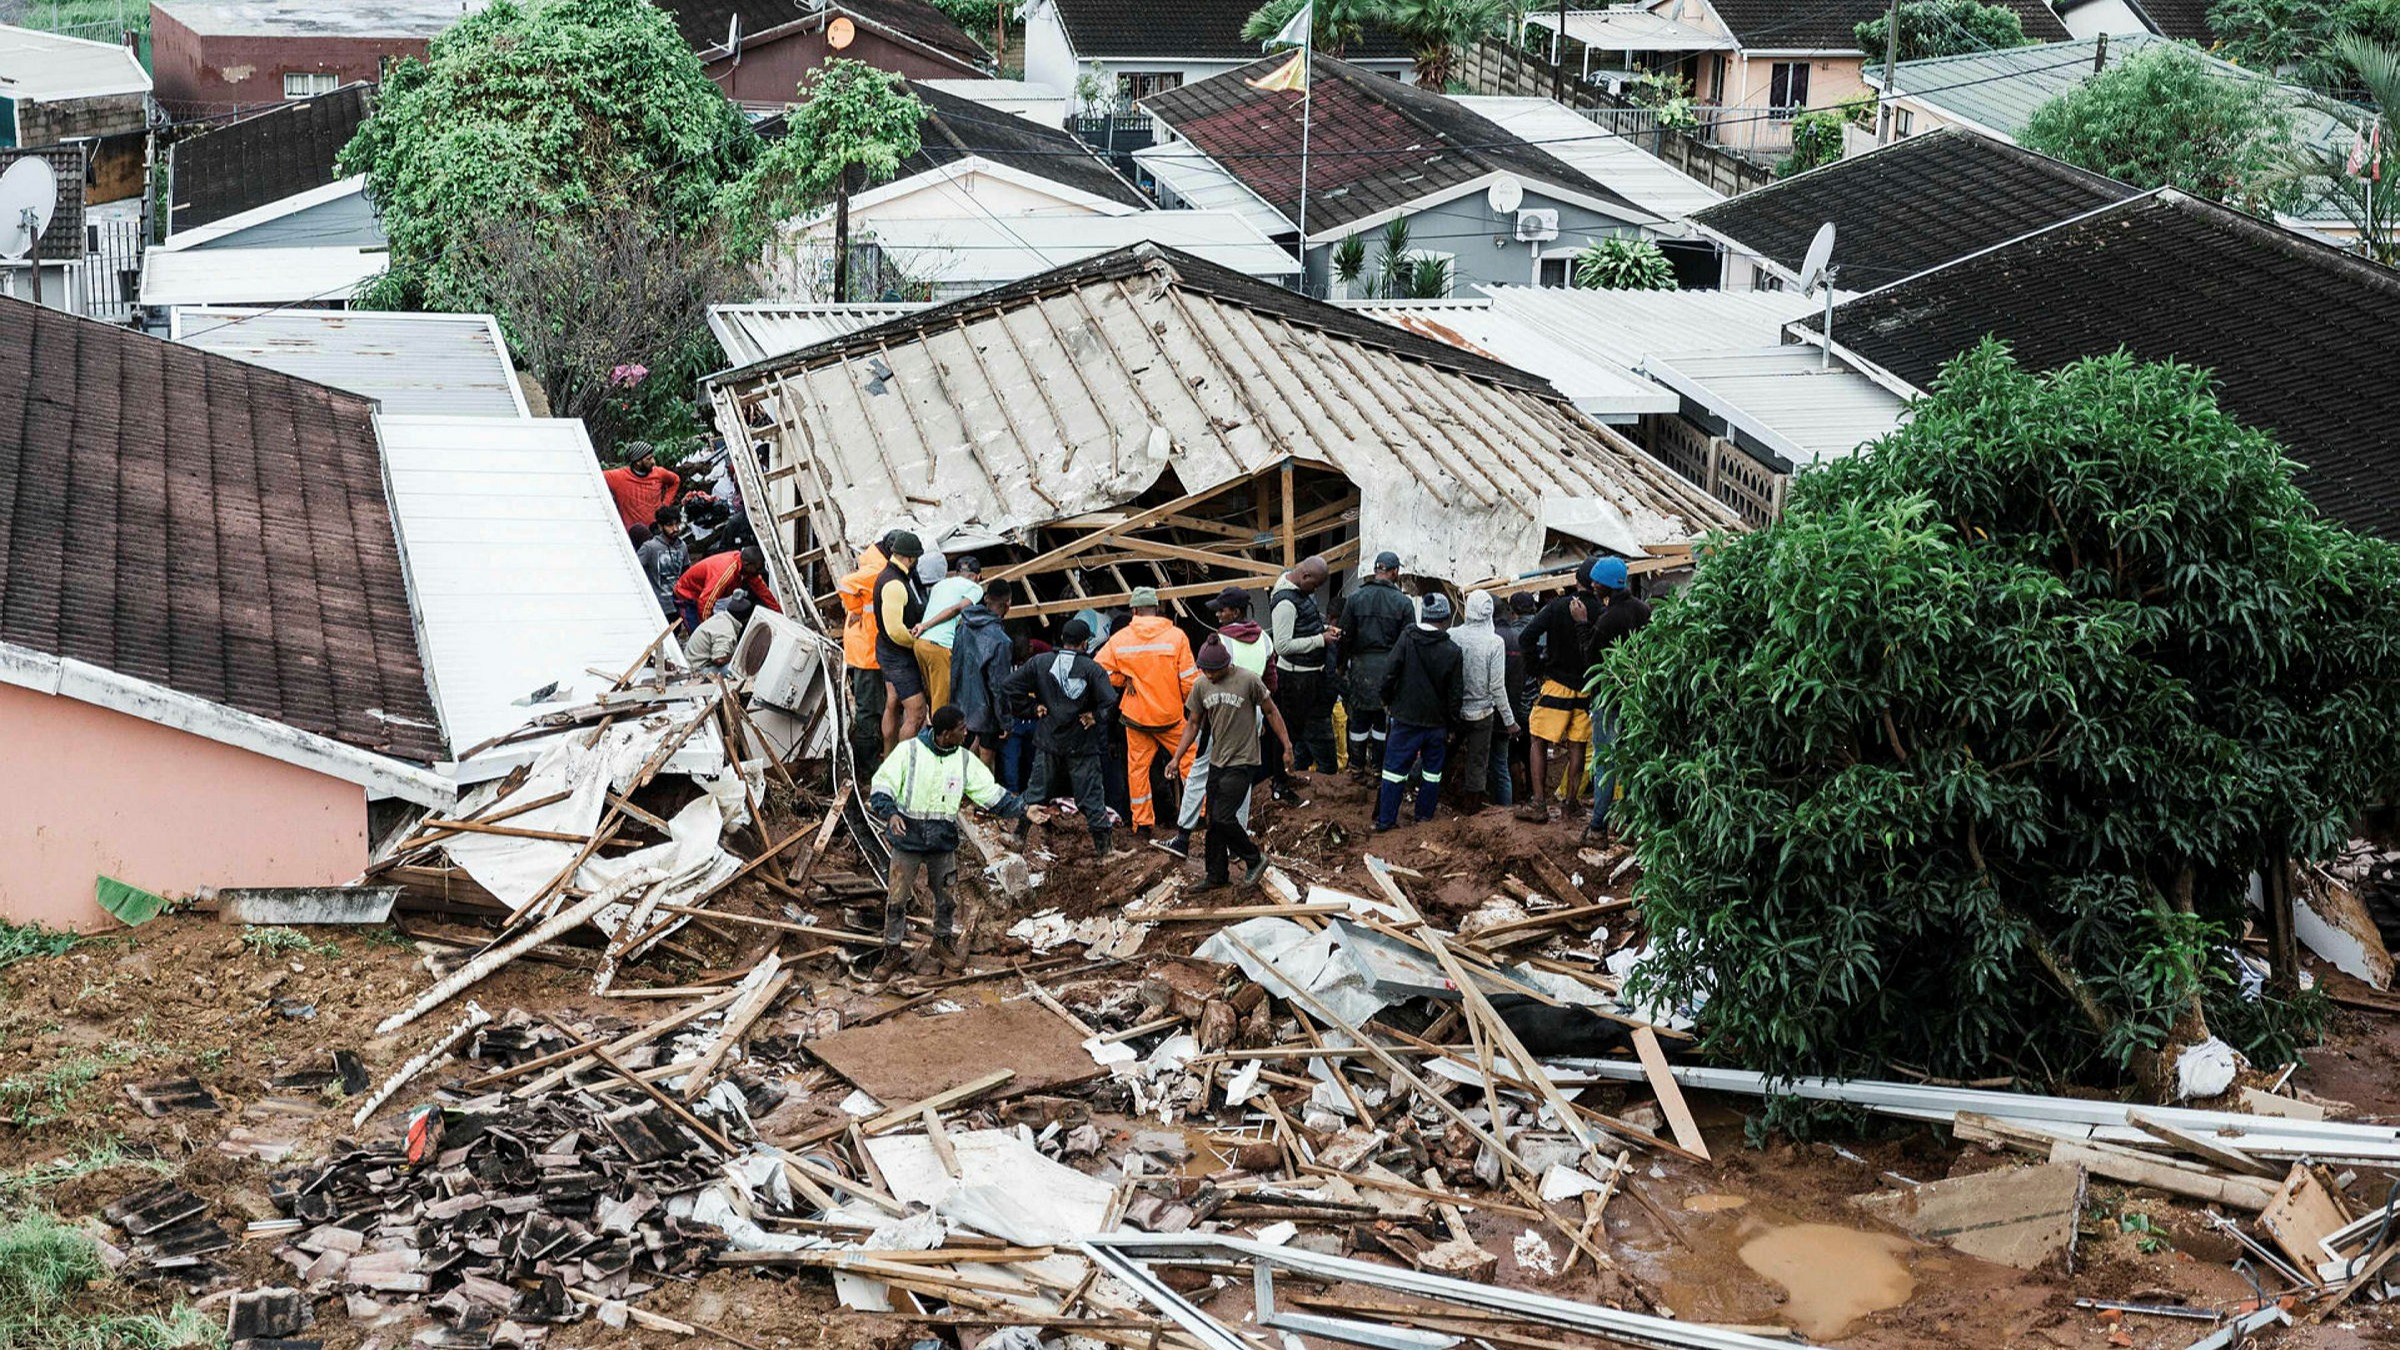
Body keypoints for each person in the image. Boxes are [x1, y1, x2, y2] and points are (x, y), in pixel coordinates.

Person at [866, 705, 1031, 978]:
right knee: (897, 899)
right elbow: (883, 783)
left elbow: (989, 793)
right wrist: (890, 812)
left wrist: (1023, 809)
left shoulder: (964, 760)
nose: (966, 733)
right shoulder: (909, 752)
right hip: (908, 838)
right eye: (961, 730)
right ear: (944, 734)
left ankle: (940, 944)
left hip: (942, 841)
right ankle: (891, 952)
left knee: (947, 900)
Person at [1159, 588, 1275, 859]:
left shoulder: (1222, 642)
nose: (1218, 614)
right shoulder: (1265, 640)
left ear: (1235, 612)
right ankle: (1239, 838)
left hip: (1220, 714)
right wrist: (1262, 715)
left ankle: (1183, 836)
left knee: (1201, 770)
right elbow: (1271, 682)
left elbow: (1215, 680)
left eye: (1222, 610)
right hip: (1252, 715)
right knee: (1242, 776)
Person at [1171, 636, 1293, 891]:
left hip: (1244, 760)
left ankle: (1254, 858)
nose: (1209, 675)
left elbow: (1271, 711)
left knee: (1224, 816)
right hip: (1218, 761)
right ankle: (1216, 875)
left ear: (1226, 664)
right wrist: (1177, 757)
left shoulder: (1248, 680)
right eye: (1205, 670)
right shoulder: (1202, 685)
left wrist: (1286, 745)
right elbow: (1193, 724)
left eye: (1213, 670)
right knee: (1213, 822)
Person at [1002, 618, 1122, 858]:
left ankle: (1017, 837)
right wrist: (1095, 716)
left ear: (1062, 639)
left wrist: (1031, 707)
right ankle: (1106, 852)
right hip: (1081, 743)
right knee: (1091, 797)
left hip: (1048, 740)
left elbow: (1008, 686)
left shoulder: (1040, 662)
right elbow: (1111, 701)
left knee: (1035, 792)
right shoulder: (1092, 668)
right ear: (1085, 642)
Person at [1094, 586, 1197, 841]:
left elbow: (1098, 672)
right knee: (1190, 763)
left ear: (1134, 610)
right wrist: (1191, 709)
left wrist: (1124, 677)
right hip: (1170, 716)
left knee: (1137, 771)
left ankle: (1142, 825)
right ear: (1158, 608)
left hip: (1137, 718)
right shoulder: (1177, 637)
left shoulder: (1120, 639)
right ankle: (1200, 815)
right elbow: (1188, 681)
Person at [1514, 564, 1606, 822]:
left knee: (1538, 740)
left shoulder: (1557, 606)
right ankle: (1571, 803)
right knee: (1577, 745)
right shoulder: (1601, 611)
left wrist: (1536, 669)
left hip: (1555, 684)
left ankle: (1539, 804)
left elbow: (1526, 638)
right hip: (1587, 688)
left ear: (1576, 579)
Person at [1374, 593, 1464, 832]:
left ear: (1423, 614)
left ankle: (1386, 820)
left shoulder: (1407, 638)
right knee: (1432, 773)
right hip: (1437, 724)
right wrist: (1453, 727)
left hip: (1406, 719)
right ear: (1445, 619)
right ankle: (1423, 818)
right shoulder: (1453, 651)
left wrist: (1386, 700)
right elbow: (1455, 694)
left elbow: (1389, 673)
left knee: (1394, 771)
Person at [1582, 558, 1652, 839]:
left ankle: (1598, 824)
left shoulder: (1608, 619)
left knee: (1605, 760)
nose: (1593, 585)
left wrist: (1581, 625)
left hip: (1608, 698)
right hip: (1636, 695)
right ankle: (1634, 825)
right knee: (1634, 759)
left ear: (1607, 584)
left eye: (1596, 581)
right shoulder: (1642, 610)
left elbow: (1589, 659)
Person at [1337, 551, 1417, 783]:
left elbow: (1345, 637)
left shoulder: (1355, 598)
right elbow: (1408, 641)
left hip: (1361, 668)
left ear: (1375, 571)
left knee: (1359, 720)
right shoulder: (1403, 603)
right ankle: (1378, 770)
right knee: (1383, 723)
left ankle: (1356, 768)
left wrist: (1341, 666)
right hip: (1389, 668)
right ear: (1394, 572)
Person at [1267, 555, 1341, 796]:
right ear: (1305, 576)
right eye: (1315, 584)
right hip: (1295, 679)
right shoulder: (1286, 603)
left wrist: (1322, 630)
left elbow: (1303, 626)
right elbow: (1283, 645)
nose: (1315, 590)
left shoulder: (1299, 592)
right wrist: (1320, 639)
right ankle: (1279, 782)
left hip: (1308, 676)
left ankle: (1287, 777)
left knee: (1297, 731)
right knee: (1289, 732)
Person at [1448, 591, 1516, 816]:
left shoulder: (1452, 634)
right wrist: (1509, 721)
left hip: (1454, 712)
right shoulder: (1494, 642)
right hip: (1482, 714)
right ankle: (1471, 811)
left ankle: (1421, 792)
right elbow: (1497, 686)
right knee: (1477, 763)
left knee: (1442, 754)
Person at [837, 534, 894, 777]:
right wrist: (856, 609)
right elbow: (845, 583)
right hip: (867, 650)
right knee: (869, 709)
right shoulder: (878, 570)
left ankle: (871, 759)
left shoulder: (874, 563)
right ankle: (868, 767)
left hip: (866, 645)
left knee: (872, 706)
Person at [947, 580, 1015, 770]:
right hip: (986, 710)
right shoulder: (1001, 641)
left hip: (961, 703)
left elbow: (956, 667)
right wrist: (1005, 720)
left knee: (965, 751)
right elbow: (998, 685)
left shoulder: (963, 626)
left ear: (986, 599)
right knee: (987, 755)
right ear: (1008, 604)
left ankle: (963, 793)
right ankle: (983, 796)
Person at [874, 532, 929, 754]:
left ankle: (888, 758)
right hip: (898, 655)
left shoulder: (890, 576)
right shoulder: (895, 584)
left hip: (886, 650)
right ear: (910, 558)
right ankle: (902, 766)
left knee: (893, 702)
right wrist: (916, 643)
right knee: (916, 712)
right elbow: (895, 630)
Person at [912, 555, 985, 714]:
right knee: (941, 703)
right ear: (977, 576)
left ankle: (931, 732)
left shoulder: (940, 584)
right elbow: (956, 609)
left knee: (931, 696)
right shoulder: (976, 588)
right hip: (939, 647)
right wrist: (925, 625)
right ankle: (938, 737)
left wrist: (924, 627)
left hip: (920, 644)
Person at [1492, 592, 1538, 806]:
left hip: (1514, 701)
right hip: (1535, 702)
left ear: (1513, 612)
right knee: (1533, 750)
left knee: (1510, 754)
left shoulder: (1508, 636)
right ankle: (1533, 793)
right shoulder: (1542, 629)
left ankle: (1514, 797)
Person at [673, 545, 780, 632]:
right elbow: (705, 601)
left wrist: (780, 614)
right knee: (698, 632)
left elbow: (763, 592)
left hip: (702, 595)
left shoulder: (747, 569)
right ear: (747, 564)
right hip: (687, 596)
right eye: (757, 568)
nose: (759, 571)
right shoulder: (725, 572)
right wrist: (708, 630)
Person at [603, 441, 681, 534]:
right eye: (649, 459)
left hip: (656, 531)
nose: (653, 462)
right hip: (632, 534)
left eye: (653, 457)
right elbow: (593, 477)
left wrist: (665, 504)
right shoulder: (618, 477)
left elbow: (676, 480)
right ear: (638, 462)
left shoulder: (659, 473)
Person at [635, 502, 690, 620]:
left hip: (677, 605)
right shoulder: (650, 547)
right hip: (657, 606)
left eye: (677, 524)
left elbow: (686, 573)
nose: (675, 529)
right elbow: (634, 571)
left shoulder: (682, 546)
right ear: (660, 527)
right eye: (670, 525)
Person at [685, 590, 754, 675]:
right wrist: (738, 656)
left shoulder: (722, 617)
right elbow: (719, 660)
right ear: (745, 619)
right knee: (737, 669)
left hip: (694, 661)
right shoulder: (727, 631)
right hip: (698, 669)